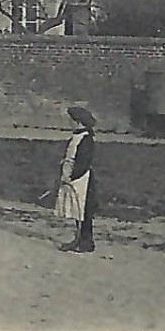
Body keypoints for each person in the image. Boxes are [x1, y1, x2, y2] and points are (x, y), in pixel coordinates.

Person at [55, 105, 98, 253]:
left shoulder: (86, 138)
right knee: (77, 211)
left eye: (70, 120)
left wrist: (71, 177)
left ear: (77, 121)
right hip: (76, 177)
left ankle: (86, 241)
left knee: (83, 211)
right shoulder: (77, 136)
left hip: (82, 178)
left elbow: (83, 161)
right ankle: (79, 239)